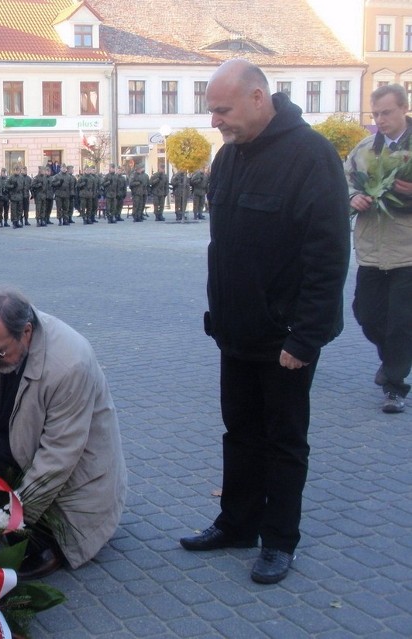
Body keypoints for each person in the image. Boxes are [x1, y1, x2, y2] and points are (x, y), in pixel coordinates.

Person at [178, 59, 350, 585]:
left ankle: (279, 540)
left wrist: (307, 337)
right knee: (241, 433)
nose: (215, 122)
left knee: (283, 440)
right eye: (211, 111)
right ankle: (237, 524)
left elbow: (328, 256)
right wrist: (220, 313)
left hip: (285, 340)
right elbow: (224, 244)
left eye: (222, 109)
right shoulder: (230, 156)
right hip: (236, 331)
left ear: (258, 98)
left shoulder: (311, 156)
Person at [0, 289, 126, 578]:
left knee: (28, 533)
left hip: (77, 473)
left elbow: (60, 455)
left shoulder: (70, 365)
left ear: (26, 332)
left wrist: (17, 519)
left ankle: (46, 544)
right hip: (27, 443)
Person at [347, 83, 412, 414]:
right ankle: (391, 359)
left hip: (407, 251)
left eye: (386, 112)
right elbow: (343, 183)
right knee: (367, 315)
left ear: (404, 108)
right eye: (376, 114)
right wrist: (351, 197)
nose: (381, 120)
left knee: (402, 322)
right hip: (371, 249)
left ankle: (396, 387)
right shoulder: (363, 150)